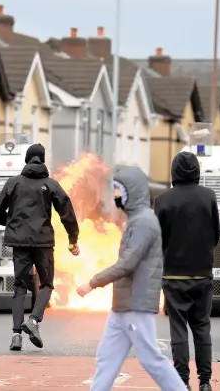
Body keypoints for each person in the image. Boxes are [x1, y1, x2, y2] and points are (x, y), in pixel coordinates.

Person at [76, 166, 188, 391]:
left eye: (117, 190)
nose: (115, 195)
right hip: (124, 305)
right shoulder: (137, 221)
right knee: (107, 358)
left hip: (136, 304)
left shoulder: (144, 223)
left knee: (151, 360)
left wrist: (92, 283)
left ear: (130, 192)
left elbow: (128, 263)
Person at [0, 143, 80, 351]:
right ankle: (34, 321)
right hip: (43, 242)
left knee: (20, 287)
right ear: (42, 160)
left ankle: (16, 336)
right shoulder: (51, 184)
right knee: (47, 284)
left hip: (19, 243)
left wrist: (12, 225)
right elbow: (67, 212)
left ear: (27, 160)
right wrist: (72, 239)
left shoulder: (13, 183)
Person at [154, 152, 220, 391]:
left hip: (172, 274)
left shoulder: (163, 200)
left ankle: (182, 381)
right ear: (196, 171)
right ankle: (205, 381)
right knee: (202, 327)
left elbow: (157, 239)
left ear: (174, 171)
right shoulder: (208, 197)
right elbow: (216, 234)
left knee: (178, 328)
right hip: (203, 272)